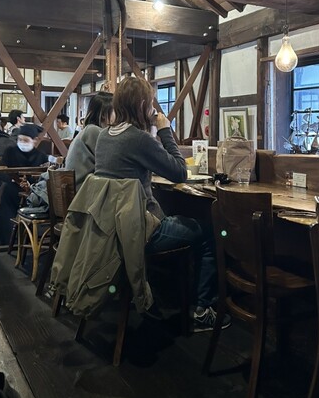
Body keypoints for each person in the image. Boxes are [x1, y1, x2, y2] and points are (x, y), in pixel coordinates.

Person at [94, 77, 229, 332]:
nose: (152, 109)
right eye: (150, 103)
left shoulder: (104, 137)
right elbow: (180, 172)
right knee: (210, 232)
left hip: (112, 229)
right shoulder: (138, 139)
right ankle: (203, 310)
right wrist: (165, 129)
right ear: (143, 105)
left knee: (181, 218)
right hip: (143, 231)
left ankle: (161, 293)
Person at [0, 124, 47, 245]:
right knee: (7, 212)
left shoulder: (41, 156)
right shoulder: (10, 151)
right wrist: (13, 179)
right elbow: (1, 170)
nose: (22, 143)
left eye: (26, 140)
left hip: (32, 193)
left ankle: (28, 241)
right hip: (11, 189)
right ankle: (7, 241)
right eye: (20, 139)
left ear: (35, 140)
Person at [65, 92, 114, 188]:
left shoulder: (88, 130)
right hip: (84, 191)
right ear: (104, 114)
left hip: (81, 188)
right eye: (116, 111)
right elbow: (113, 161)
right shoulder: (94, 131)